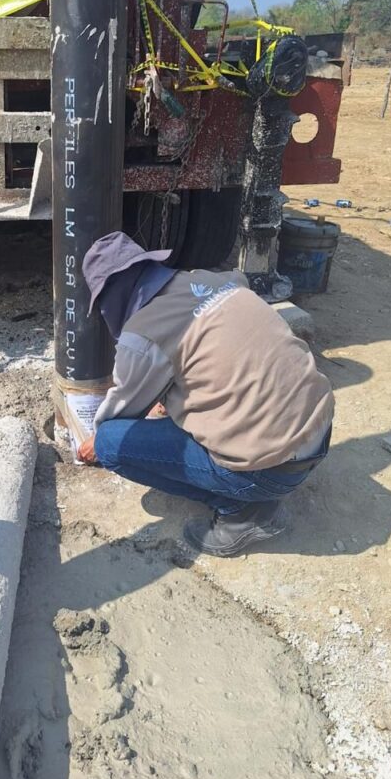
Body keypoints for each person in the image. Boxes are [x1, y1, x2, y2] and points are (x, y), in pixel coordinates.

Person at [76, 231, 334, 557]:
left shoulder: (143, 333)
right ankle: (254, 485)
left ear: (110, 295)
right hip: (319, 432)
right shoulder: (214, 280)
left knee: (111, 444)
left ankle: (244, 511)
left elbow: (122, 412)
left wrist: (95, 438)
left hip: (272, 469)